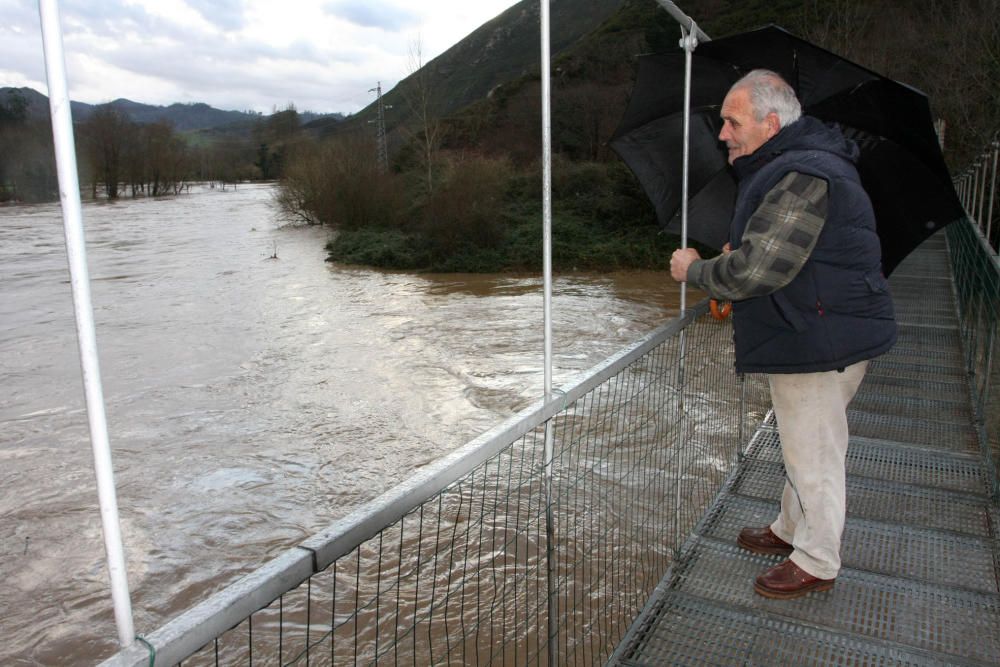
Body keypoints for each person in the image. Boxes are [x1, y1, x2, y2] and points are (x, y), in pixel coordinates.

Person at [670, 69, 896, 599]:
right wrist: (741, 254)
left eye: (732, 121)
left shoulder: (800, 175)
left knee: (813, 450)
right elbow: (778, 251)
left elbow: (757, 273)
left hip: (818, 337)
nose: (722, 133)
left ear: (770, 124)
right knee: (804, 443)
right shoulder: (793, 166)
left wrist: (696, 271)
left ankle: (817, 558)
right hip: (816, 327)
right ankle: (791, 529)